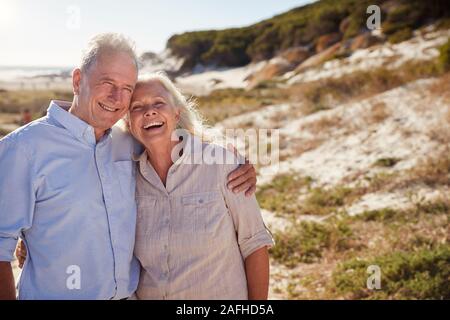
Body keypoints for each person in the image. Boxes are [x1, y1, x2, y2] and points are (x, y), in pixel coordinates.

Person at [0, 33, 256, 300]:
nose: (116, 97)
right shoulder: (23, 149)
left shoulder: (127, 144)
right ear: (78, 81)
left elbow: (174, 143)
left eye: (127, 88)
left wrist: (235, 161)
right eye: (107, 82)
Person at [125, 73, 274, 299]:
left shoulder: (221, 163)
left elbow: (254, 244)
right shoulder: (126, 177)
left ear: (177, 113)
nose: (149, 111)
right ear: (128, 122)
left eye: (159, 103)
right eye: (137, 107)